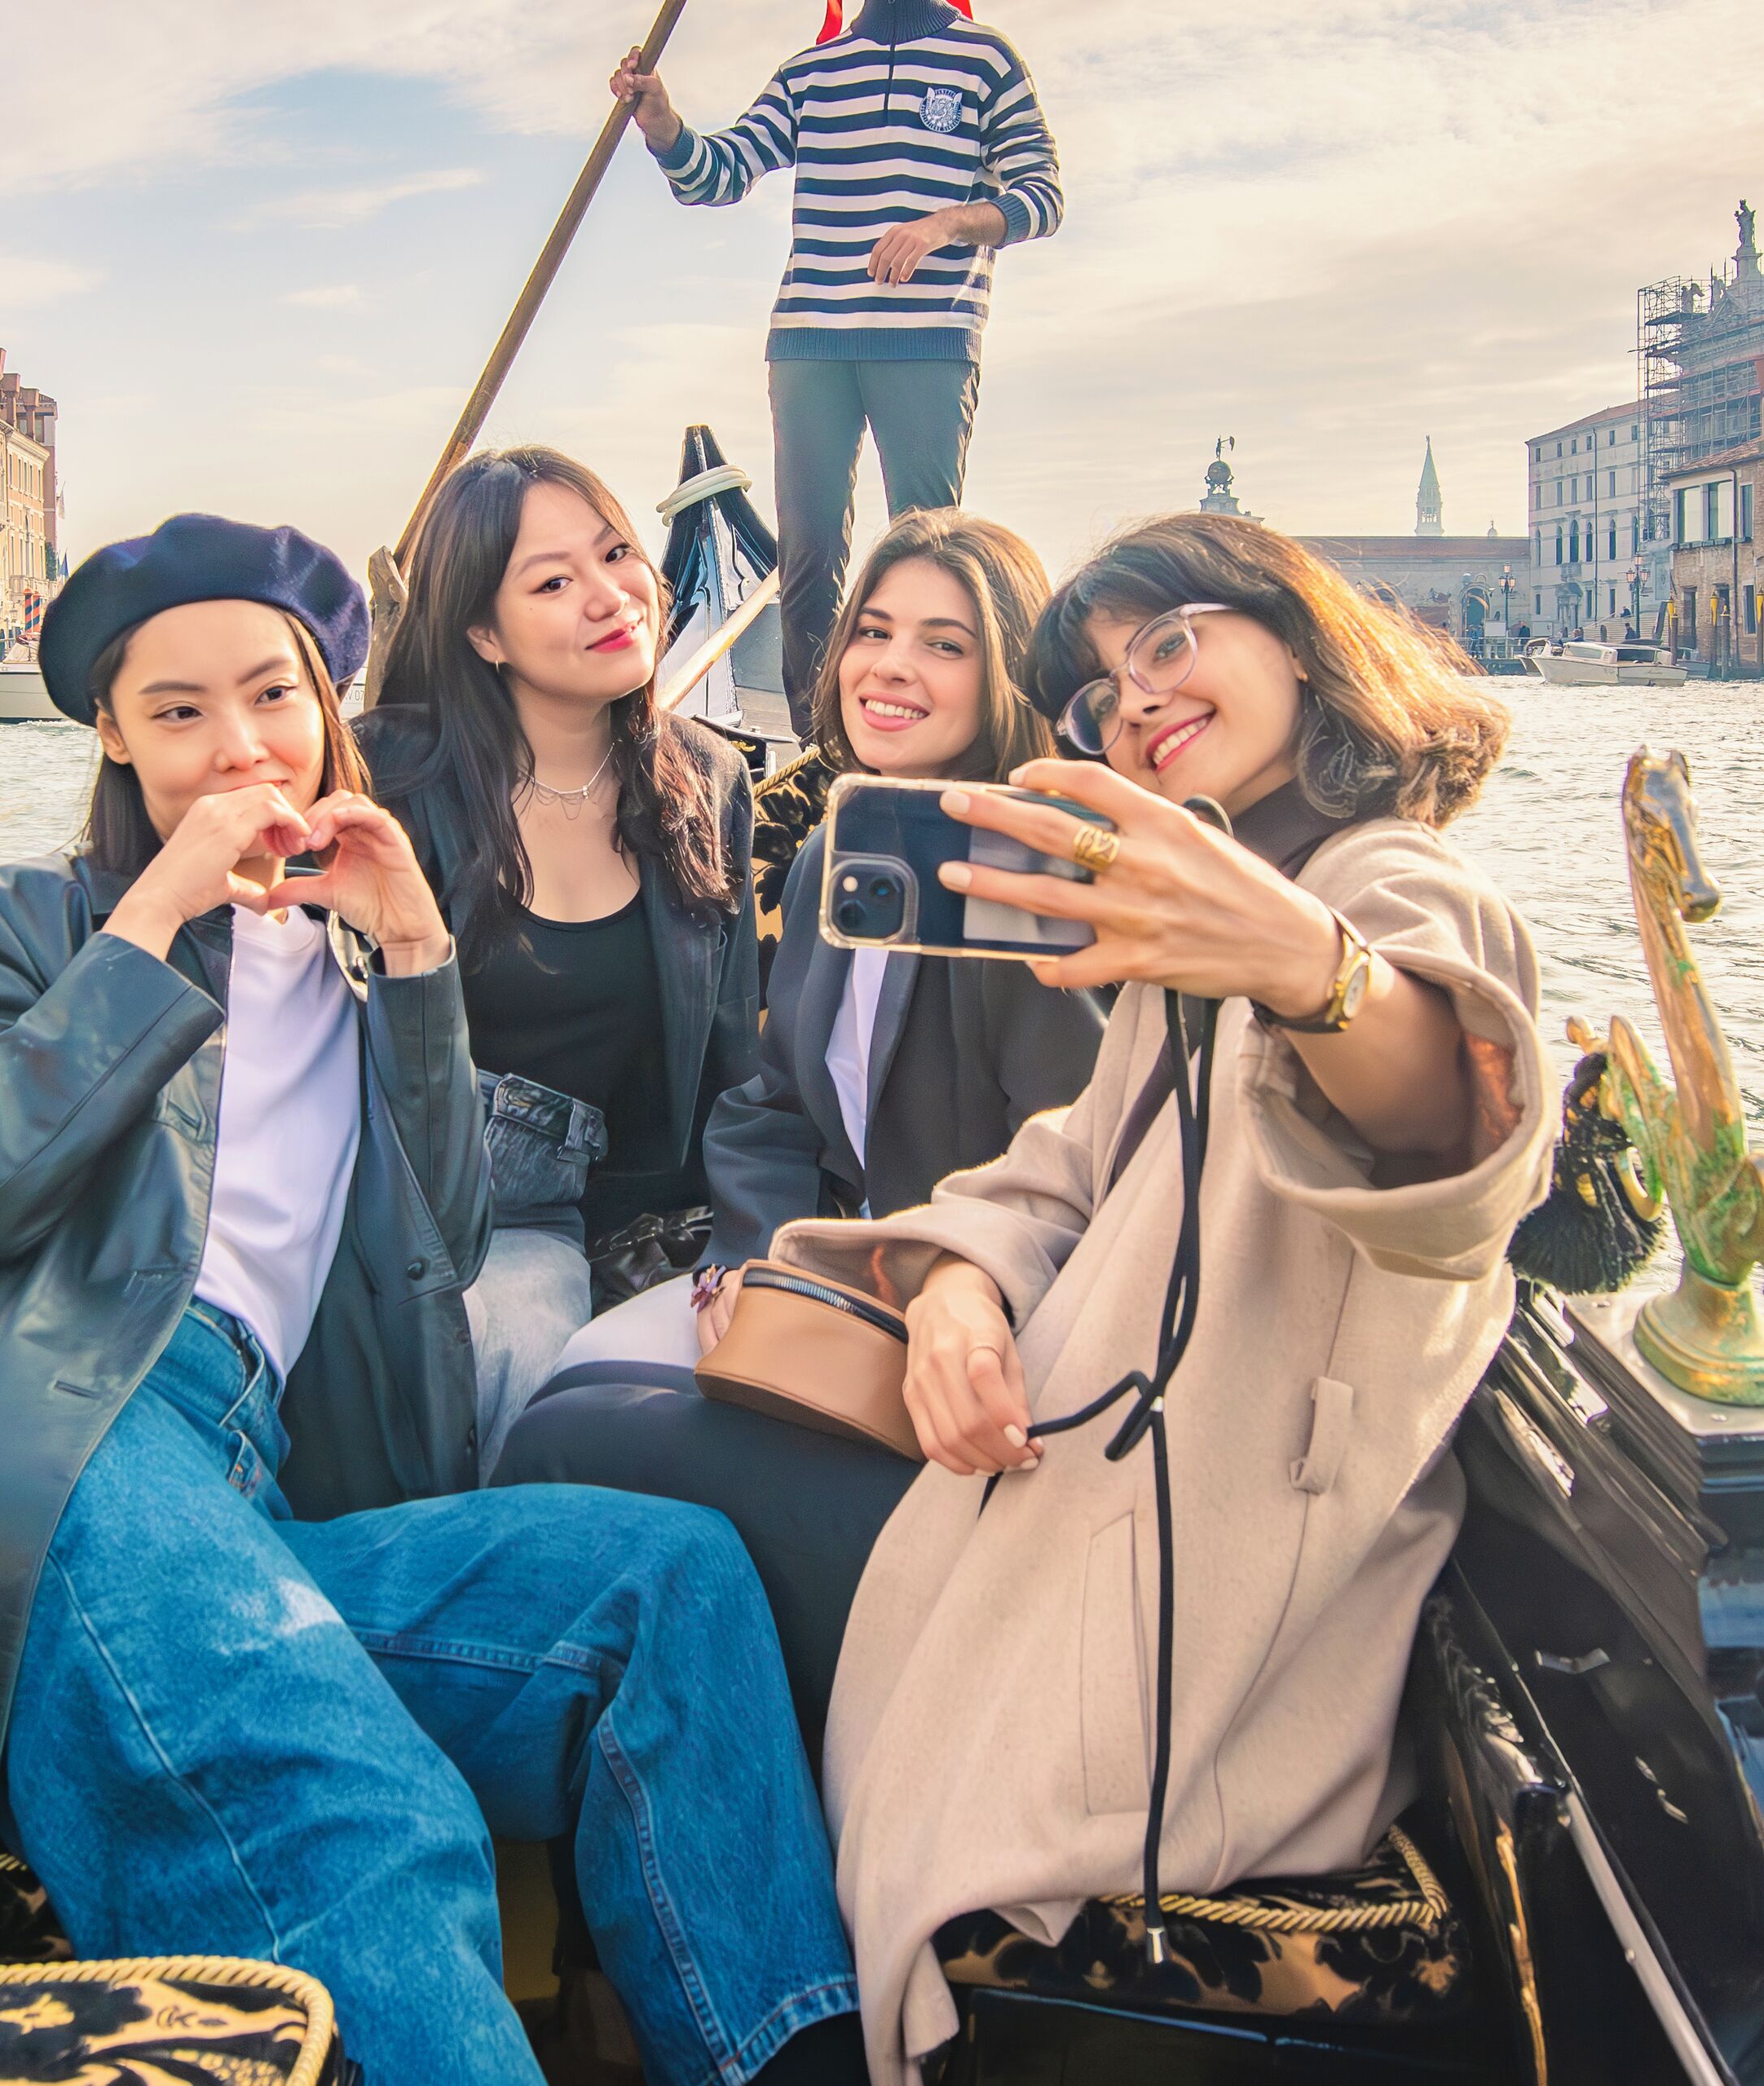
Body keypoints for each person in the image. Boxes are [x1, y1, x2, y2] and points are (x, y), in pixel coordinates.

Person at [0, 515, 862, 2086]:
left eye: (272, 695)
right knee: (366, 1807)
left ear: (328, 710)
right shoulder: (12, 917)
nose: (238, 743)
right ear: (116, 739)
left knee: (670, 1583)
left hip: (252, 1487)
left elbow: (446, 1232)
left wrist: (414, 946)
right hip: (53, 1452)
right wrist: (152, 915)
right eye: (178, 710)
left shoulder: (349, 960)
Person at [753, 511, 1558, 2081]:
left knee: (644, 1509)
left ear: (1302, 640)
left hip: (1213, 1573)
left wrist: (1311, 967)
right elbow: (1063, 1165)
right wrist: (958, 1286)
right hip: (1074, 1465)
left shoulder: (1383, 882)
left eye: (1172, 642)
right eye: (1105, 686)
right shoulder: (1210, 911)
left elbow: (1452, 1139)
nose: (1138, 697)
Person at [492, 509, 1103, 1749]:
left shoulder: (1030, 878)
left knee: (561, 1440)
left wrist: (946, 1283)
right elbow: (774, 1101)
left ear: (1007, 675)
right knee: (560, 1383)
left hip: (980, 1328)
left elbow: (1069, 1156)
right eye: (873, 631)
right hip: (837, 1279)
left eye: (944, 644)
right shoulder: (842, 851)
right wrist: (749, 1257)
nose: (891, 667)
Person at [359, 448, 760, 1482]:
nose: (611, 595)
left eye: (617, 554)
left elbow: (738, 1059)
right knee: (515, 1365)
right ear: (482, 633)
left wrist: (743, 1253)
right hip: (443, 1217)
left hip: (644, 1222)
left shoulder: (708, 777)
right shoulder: (387, 777)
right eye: (552, 582)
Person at [612, 0, 1063, 738]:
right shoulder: (811, 72)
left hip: (927, 341)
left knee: (928, 551)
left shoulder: (985, 59)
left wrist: (945, 223)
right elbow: (717, 175)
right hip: (809, 343)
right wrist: (661, 124)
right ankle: (822, 742)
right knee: (808, 558)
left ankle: (928, 732)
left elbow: (1041, 197)